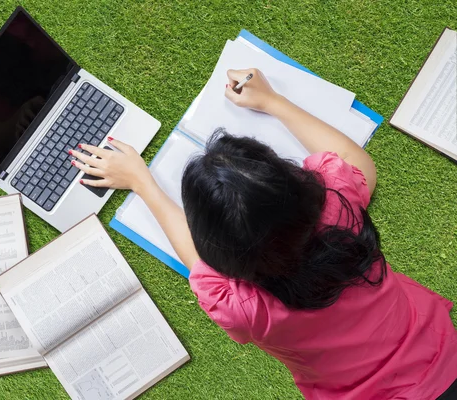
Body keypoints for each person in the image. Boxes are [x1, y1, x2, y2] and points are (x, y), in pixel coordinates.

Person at [69, 68, 457, 399]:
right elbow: (360, 165)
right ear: (300, 187)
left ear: (219, 252)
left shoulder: (242, 309)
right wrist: (273, 102)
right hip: (443, 352)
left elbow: (194, 260)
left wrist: (143, 182)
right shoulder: (338, 206)